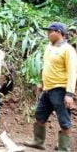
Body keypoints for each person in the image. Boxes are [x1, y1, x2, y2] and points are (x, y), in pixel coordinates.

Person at [24, 22, 77, 151]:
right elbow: (46, 66)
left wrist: (69, 94)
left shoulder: (68, 50)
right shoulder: (49, 47)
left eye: (50, 31)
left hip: (60, 89)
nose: (48, 34)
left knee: (64, 120)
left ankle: (64, 149)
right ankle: (38, 141)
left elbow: (72, 72)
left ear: (59, 32)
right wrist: (42, 82)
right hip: (48, 89)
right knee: (40, 115)